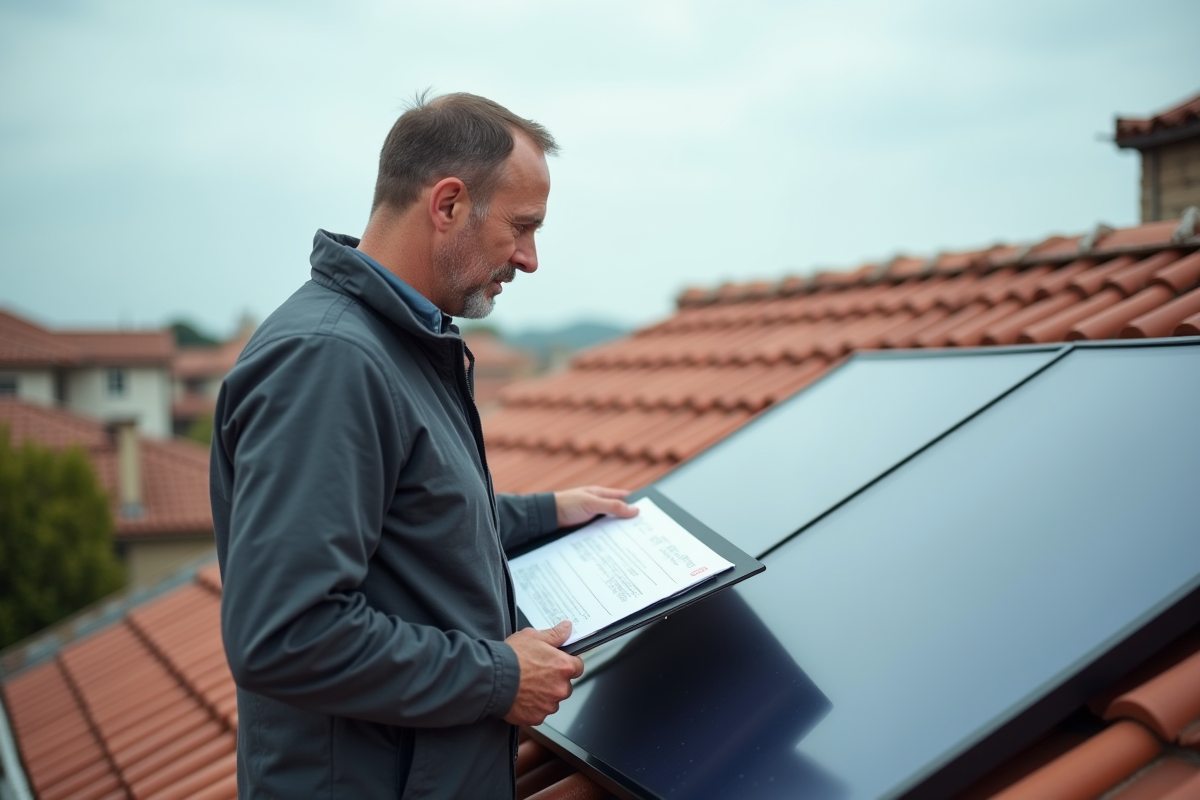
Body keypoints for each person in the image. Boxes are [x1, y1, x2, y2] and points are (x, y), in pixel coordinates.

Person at [210, 92, 637, 800]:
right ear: (446, 206)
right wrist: (501, 677)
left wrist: (547, 512)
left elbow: (410, 521)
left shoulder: (395, 340)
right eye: (522, 227)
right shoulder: (330, 362)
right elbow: (285, 635)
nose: (529, 259)